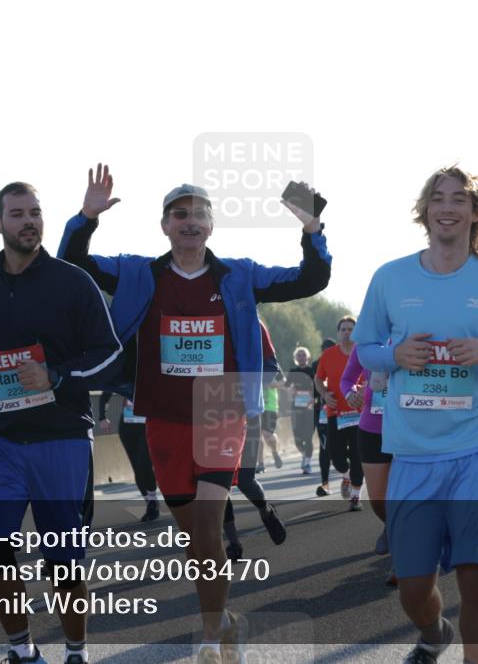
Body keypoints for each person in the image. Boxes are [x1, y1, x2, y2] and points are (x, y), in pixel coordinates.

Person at [58, 165, 330, 663]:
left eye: (198, 214)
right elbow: (71, 264)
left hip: (220, 408)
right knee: (194, 537)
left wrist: (312, 229)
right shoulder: (139, 273)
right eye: (179, 214)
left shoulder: (239, 276)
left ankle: (208, 638)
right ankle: (225, 620)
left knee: (208, 522)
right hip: (161, 414)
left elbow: (310, 279)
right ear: (165, 226)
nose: (189, 221)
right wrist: (87, 217)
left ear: (211, 225)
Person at [352, 165, 478, 664]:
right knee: (413, 589)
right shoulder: (390, 278)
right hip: (412, 453)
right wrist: (395, 356)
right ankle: (435, 632)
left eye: (459, 199)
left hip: (477, 446)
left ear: (475, 212)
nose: (447, 207)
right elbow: (367, 350)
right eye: (438, 198)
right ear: (425, 211)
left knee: (475, 580)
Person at [0, 181, 123, 664]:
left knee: (63, 561)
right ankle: (21, 651)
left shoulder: (71, 281)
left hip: (61, 437)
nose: (28, 221)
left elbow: (109, 355)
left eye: (35, 212)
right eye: (17, 214)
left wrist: (55, 373)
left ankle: (75, 652)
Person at [222, 322, 288, 560]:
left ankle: (266, 510)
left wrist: (248, 389)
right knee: (217, 481)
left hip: (247, 412)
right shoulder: (197, 318)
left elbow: (272, 367)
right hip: (209, 414)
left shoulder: (251, 322)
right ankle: (233, 542)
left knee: (246, 480)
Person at [339, 339, 392, 543]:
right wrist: (350, 393)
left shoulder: (412, 331)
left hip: (408, 427)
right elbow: (347, 379)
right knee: (377, 500)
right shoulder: (366, 342)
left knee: (405, 493)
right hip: (372, 428)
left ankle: (404, 541)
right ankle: (393, 525)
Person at [315, 317, 365, 510]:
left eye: (351, 329)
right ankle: (345, 475)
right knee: (335, 455)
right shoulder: (328, 355)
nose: (347, 332)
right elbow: (318, 380)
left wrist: (364, 389)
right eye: (343, 329)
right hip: (336, 412)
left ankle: (355, 497)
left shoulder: (363, 353)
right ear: (338, 332)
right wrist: (325, 394)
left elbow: (374, 376)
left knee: (357, 455)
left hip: (360, 412)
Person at [97, 389, 159, 522]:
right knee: (137, 467)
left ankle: (153, 498)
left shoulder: (151, 373)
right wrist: (102, 416)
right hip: (128, 425)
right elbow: (106, 393)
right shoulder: (123, 372)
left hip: (147, 425)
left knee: (144, 463)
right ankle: (150, 502)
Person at [285, 346, 316, 474]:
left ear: (307, 357)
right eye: (299, 355)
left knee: (308, 437)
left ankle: (307, 462)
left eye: (304, 355)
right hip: (296, 408)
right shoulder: (293, 371)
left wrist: (312, 396)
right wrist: (291, 391)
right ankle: (305, 454)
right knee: (298, 438)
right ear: (296, 358)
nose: (302, 357)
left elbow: (319, 386)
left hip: (310, 408)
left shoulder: (312, 371)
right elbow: (286, 387)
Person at [314, 338, 336, 494]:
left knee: (343, 449)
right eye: (323, 350)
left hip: (346, 413)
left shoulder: (348, 360)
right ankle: (325, 484)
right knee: (324, 449)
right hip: (323, 413)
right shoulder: (316, 365)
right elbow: (311, 385)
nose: (326, 352)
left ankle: (351, 476)